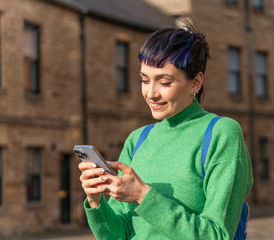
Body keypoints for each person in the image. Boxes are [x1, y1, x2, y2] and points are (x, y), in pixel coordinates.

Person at [78, 22, 253, 240]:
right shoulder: (138, 140)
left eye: (165, 82)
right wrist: (96, 201)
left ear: (195, 83)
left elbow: (217, 235)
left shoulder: (221, 133)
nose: (151, 93)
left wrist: (143, 195)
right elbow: (119, 235)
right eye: (144, 80)